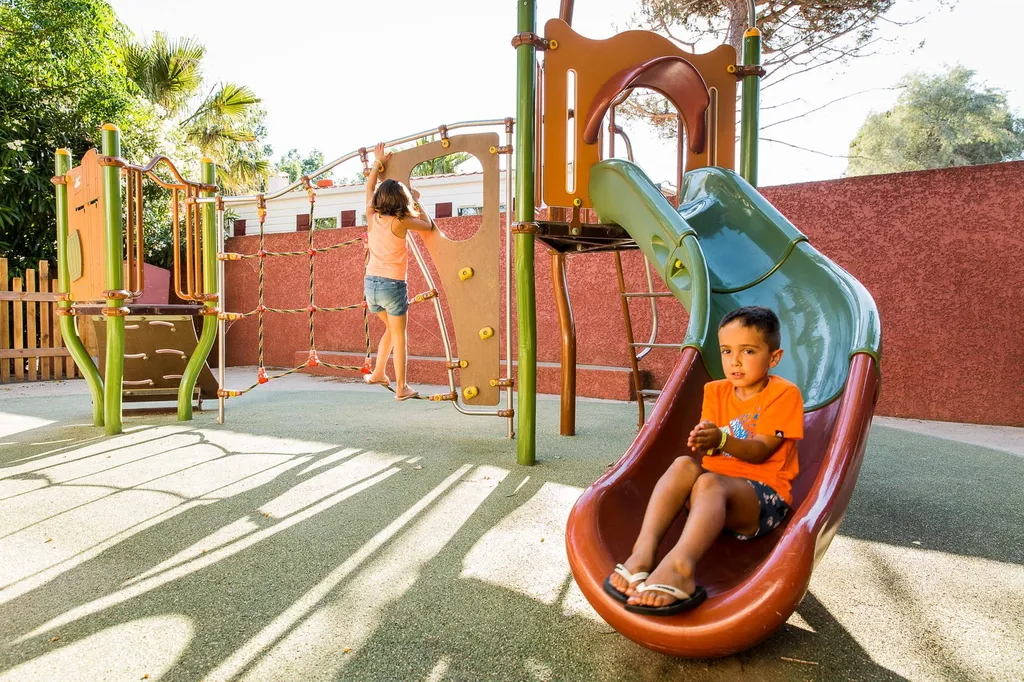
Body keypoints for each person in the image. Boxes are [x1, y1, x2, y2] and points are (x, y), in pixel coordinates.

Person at [604, 306, 804, 615]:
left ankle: (681, 567)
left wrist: (721, 439)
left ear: (773, 358)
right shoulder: (715, 390)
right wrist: (704, 441)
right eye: (726, 351)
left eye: (748, 351)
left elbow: (762, 449)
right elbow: (710, 452)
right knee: (684, 465)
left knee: (709, 481)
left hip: (762, 501)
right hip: (708, 501)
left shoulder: (783, 394)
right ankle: (643, 552)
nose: (734, 361)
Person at [362, 142, 435, 401]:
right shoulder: (401, 222)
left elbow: (369, 189)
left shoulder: (372, 215)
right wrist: (416, 199)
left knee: (391, 331)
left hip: (371, 286)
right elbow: (427, 225)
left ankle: (378, 373)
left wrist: (376, 164)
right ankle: (402, 387)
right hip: (393, 286)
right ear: (401, 201)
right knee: (400, 336)